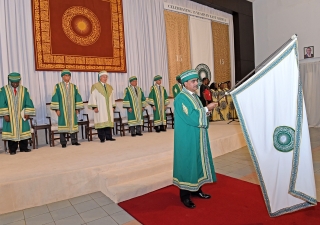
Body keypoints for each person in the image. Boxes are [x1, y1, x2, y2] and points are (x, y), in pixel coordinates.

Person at [173, 69, 218, 209]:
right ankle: (184, 196)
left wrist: (207, 111)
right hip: (187, 137)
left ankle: (196, 190)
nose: (196, 83)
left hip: (197, 135)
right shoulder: (181, 98)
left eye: (196, 81)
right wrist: (206, 109)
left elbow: (199, 114)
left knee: (197, 162)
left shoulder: (194, 96)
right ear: (185, 83)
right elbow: (191, 116)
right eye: (193, 81)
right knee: (187, 163)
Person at [0, 72, 36, 155]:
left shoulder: (24, 90)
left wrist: (27, 113)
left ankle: (24, 148)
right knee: (11, 131)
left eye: (17, 82)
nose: (15, 84)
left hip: (21, 114)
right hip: (10, 115)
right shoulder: (3, 90)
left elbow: (28, 102)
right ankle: (12, 149)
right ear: (10, 81)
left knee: (23, 130)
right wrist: (5, 114)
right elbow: (2, 103)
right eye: (13, 82)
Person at [51, 69, 84, 148]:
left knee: (72, 124)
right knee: (63, 124)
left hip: (72, 109)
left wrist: (77, 108)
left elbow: (77, 97)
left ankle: (74, 141)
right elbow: (55, 97)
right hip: (62, 109)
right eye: (65, 75)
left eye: (68, 75)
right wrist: (57, 109)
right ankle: (63, 142)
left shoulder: (74, 87)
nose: (67, 77)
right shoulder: (58, 86)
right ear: (62, 77)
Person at [88, 71, 116, 142]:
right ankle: (102, 138)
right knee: (101, 122)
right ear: (100, 77)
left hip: (108, 107)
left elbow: (112, 97)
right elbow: (93, 96)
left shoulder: (110, 87)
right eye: (103, 76)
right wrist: (94, 107)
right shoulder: (95, 86)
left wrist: (113, 106)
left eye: (106, 77)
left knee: (108, 122)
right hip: (100, 107)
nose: (105, 78)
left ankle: (109, 137)